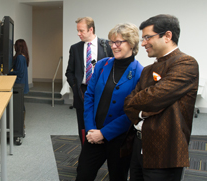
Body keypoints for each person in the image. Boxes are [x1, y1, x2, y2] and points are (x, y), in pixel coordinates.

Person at [123, 14, 199, 181]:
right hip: (138, 145)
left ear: (167, 36)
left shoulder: (186, 63)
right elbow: (128, 103)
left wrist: (143, 100)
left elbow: (154, 97)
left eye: (148, 37)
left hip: (164, 149)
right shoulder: (147, 70)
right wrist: (143, 112)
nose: (143, 43)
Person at [75, 23, 143, 181]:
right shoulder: (102, 65)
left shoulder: (140, 73)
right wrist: (91, 129)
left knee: (117, 177)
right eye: (112, 42)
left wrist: (104, 134)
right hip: (94, 134)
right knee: (83, 173)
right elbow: (89, 96)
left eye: (119, 42)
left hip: (119, 139)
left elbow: (132, 112)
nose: (114, 46)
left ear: (131, 43)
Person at [65, 17, 114, 146]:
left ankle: (101, 150)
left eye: (81, 31)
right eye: (77, 30)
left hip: (102, 91)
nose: (78, 34)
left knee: (101, 121)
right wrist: (75, 87)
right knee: (83, 124)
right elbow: (69, 72)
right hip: (82, 91)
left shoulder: (106, 45)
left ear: (91, 29)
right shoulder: (75, 48)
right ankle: (85, 149)